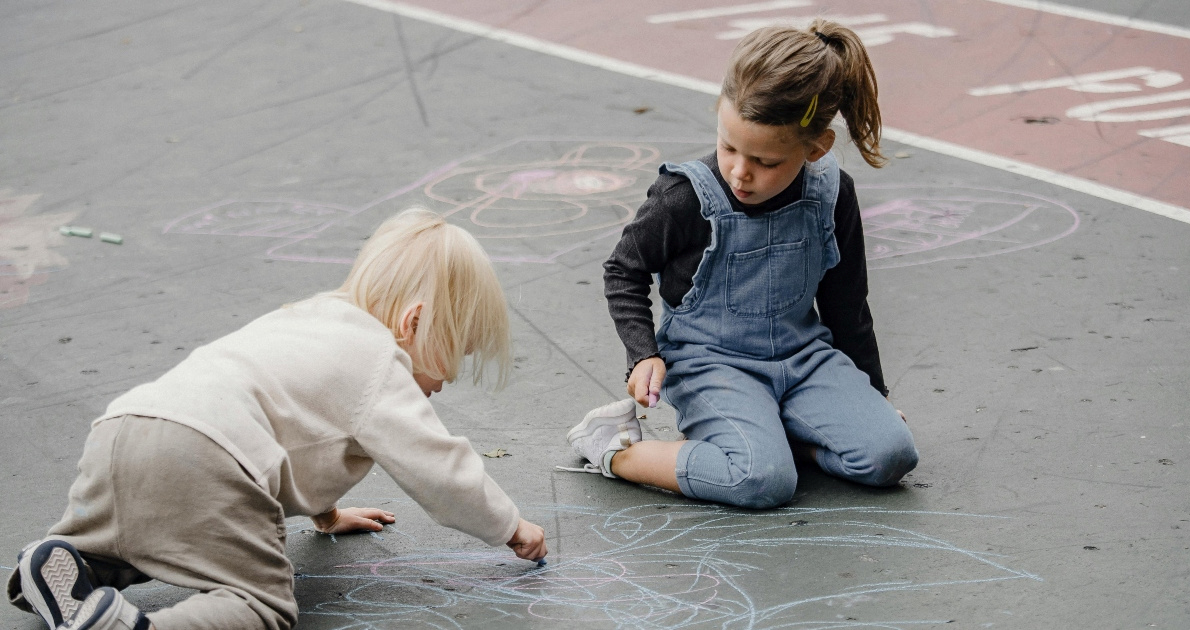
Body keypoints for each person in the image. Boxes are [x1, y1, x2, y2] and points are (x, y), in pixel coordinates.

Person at [10, 209, 547, 630]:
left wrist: (327, 515)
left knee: (158, 538)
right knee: (260, 603)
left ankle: (69, 561)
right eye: (454, 355)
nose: (447, 378)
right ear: (413, 322)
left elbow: (297, 424)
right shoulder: (381, 360)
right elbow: (438, 468)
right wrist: (509, 526)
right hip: (207, 456)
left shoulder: (311, 318)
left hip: (125, 427)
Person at [569, 21, 918, 508]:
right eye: (728, 146)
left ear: (815, 149)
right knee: (760, 480)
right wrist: (643, 352)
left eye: (765, 161)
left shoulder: (832, 194)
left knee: (891, 456)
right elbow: (623, 269)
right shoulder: (685, 196)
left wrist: (872, 393)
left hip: (803, 359)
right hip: (712, 364)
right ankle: (613, 448)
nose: (739, 171)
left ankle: (775, 434)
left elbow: (847, 305)